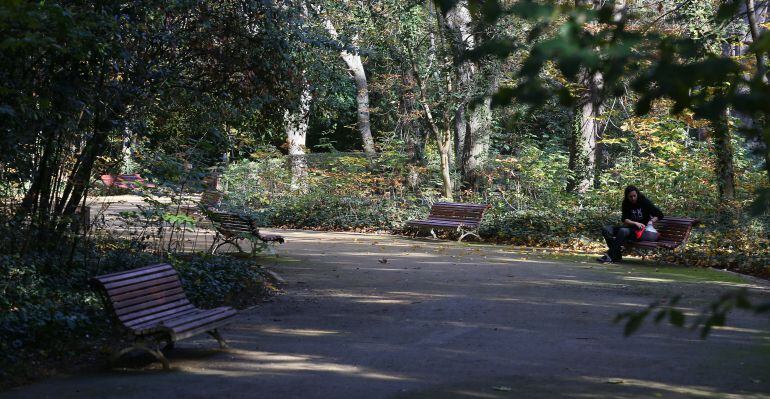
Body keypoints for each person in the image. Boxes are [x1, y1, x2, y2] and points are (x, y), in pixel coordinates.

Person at [598, 185, 664, 263]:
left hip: (641, 232)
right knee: (606, 230)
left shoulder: (644, 201)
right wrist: (635, 223)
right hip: (629, 229)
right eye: (630, 197)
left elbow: (660, 214)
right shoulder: (626, 203)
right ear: (627, 197)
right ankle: (616, 255)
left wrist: (651, 221)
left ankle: (610, 255)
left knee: (623, 231)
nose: (633, 198)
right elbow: (624, 219)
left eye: (634, 196)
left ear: (637, 194)